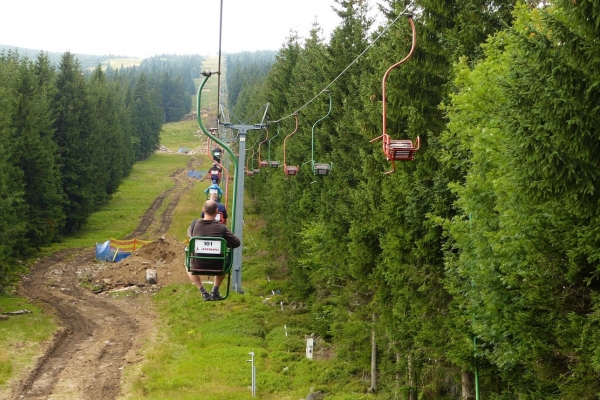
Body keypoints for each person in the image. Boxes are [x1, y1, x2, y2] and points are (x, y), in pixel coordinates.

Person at [187, 200, 240, 301]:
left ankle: (203, 291)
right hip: (218, 265)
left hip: (197, 264)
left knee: (187, 264)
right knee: (225, 258)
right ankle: (214, 291)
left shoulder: (194, 226)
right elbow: (236, 243)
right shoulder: (222, 228)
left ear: (203, 210)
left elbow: (191, 237)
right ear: (217, 211)